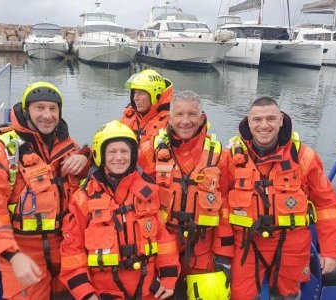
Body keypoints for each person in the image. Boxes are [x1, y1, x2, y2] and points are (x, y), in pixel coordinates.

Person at [0, 81, 91, 299]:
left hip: (65, 250)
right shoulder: (0, 153)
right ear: (26, 111)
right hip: (22, 253)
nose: (47, 115)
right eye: (40, 108)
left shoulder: (68, 147)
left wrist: (85, 159)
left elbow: (91, 183)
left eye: (53, 109)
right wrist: (13, 255)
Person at [226, 97, 336, 299]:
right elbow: (220, 204)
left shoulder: (304, 157)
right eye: (257, 119)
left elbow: (326, 203)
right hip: (247, 244)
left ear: (281, 120)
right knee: (240, 295)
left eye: (271, 119)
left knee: (289, 295)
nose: (264, 125)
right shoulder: (231, 157)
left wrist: (332, 250)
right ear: (248, 121)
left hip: (291, 244)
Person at [60, 120, 180, 299]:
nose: (119, 157)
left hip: (149, 292)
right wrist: (85, 294)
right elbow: (72, 250)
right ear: (101, 155)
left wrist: (169, 279)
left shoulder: (148, 192)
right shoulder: (83, 198)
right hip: (103, 294)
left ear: (132, 155)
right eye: (112, 152)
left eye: (124, 151)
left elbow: (164, 239)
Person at [138, 91, 233, 299]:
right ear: (170, 118)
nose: (186, 121)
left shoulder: (220, 156)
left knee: (210, 294)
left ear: (201, 117)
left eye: (192, 114)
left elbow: (226, 209)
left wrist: (223, 256)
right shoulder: (149, 151)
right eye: (179, 115)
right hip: (161, 247)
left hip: (204, 250)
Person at [121, 69, 173, 146]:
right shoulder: (129, 117)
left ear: (155, 96)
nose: (135, 98)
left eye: (141, 93)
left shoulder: (169, 123)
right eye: (134, 93)